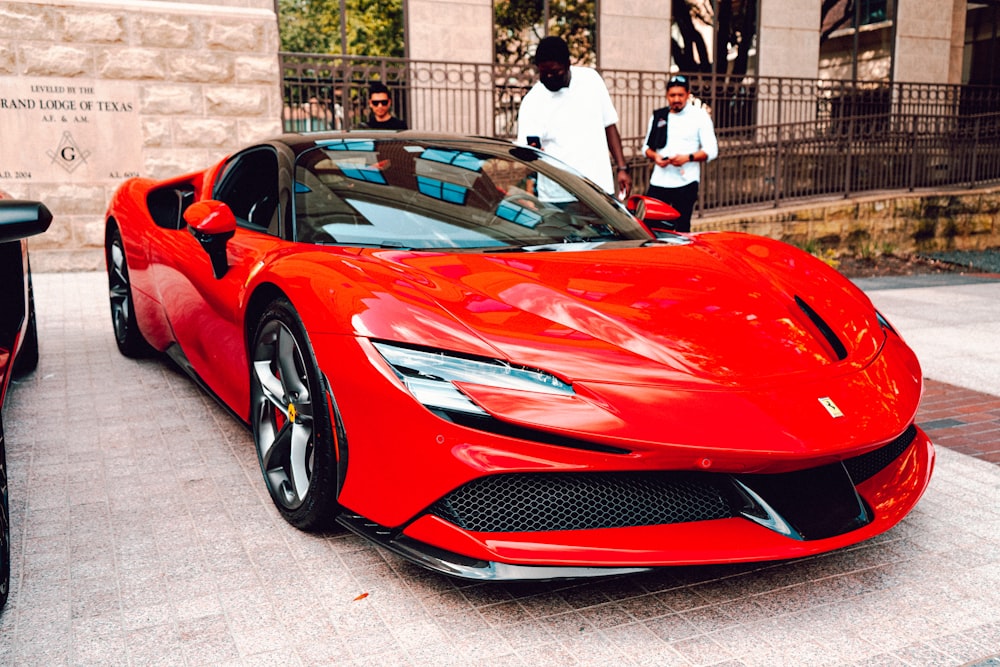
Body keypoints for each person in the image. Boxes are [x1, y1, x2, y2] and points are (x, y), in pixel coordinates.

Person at [516, 36, 631, 203]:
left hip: (599, 189)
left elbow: (609, 126)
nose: (549, 77)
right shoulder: (532, 102)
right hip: (558, 197)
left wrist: (622, 167)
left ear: (568, 64)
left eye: (555, 72)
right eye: (543, 72)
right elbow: (527, 152)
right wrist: (530, 151)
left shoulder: (591, 80)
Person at [642, 74, 718, 232]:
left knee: (681, 228)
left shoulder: (700, 116)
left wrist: (688, 158)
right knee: (649, 226)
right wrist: (655, 157)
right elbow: (646, 148)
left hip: (686, 182)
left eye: (680, 95)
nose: (676, 99)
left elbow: (712, 150)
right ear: (667, 95)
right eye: (672, 95)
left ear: (688, 94)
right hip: (659, 181)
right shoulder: (659, 116)